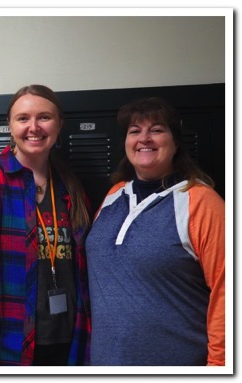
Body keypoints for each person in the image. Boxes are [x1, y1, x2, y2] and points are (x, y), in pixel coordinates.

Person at [0, 84, 91, 366]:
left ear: (59, 124)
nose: (34, 127)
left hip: (69, 341)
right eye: (23, 118)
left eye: (44, 117)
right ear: (10, 125)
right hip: (11, 347)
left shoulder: (69, 184)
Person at [85, 97, 225, 366]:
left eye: (157, 130)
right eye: (134, 131)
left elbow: (228, 293)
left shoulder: (201, 202)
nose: (144, 139)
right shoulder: (114, 196)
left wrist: (219, 368)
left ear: (175, 143)